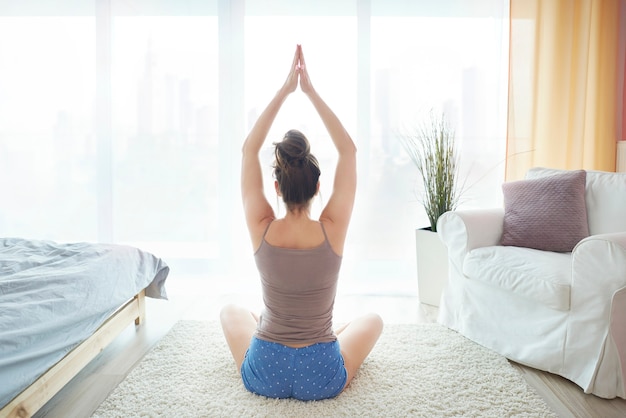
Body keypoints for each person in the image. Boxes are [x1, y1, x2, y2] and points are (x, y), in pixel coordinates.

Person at [220, 44, 383, 401]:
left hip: (265, 371)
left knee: (232, 310)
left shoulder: (261, 225)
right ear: (318, 187)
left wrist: (284, 91)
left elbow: (249, 150)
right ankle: (325, 336)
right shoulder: (332, 229)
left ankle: (271, 331)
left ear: (276, 188)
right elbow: (349, 152)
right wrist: (309, 91)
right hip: (320, 374)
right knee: (372, 320)